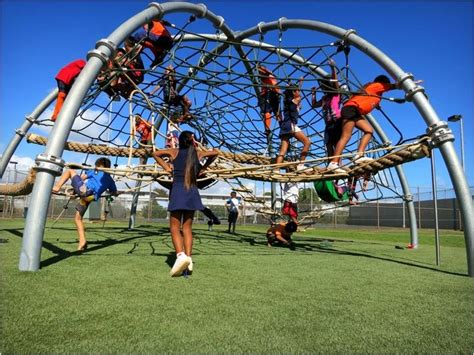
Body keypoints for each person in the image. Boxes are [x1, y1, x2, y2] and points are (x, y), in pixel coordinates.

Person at [152, 131, 220, 277]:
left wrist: (166, 167)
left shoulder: (174, 152)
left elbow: (155, 153)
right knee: (187, 227)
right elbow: (216, 152)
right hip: (192, 191)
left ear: (180, 141)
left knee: (174, 227)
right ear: (192, 141)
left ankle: (180, 255)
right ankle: (189, 259)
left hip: (178, 190)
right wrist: (204, 167)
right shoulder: (198, 153)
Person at [327, 75, 422, 173]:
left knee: (369, 130)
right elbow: (395, 86)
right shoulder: (377, 85)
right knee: (346, 136)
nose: (385, 87)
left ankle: (359, 155)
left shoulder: (375, 92)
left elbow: (367, 98)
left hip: (355, 112)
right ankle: (333, 163)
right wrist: (408, 84)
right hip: (350, 109)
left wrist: (376, 104)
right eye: (385, 85)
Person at [52, 157, 118, 251]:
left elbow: (81, 179)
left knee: (70, 171)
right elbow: (114, 192)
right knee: (78, 219)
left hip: (86, 192)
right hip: (89, 198)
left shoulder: (95, 171)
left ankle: (56, 187)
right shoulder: (111, 180)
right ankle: (82, 241)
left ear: (97, 165)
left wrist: (75, 189)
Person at [275, 81, 311, 171]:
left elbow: (295, 93)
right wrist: (299, 85)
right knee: (307, 142)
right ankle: (301, 165)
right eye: (297, 91)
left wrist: (299, 83)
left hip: (284, 126)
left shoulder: (288, 101)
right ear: (294, 92)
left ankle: (276, 169)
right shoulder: (295, 100)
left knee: (283, 151)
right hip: (291, 125)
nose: (299, 92)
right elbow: (299, 96)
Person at [311, 59, 342, 164]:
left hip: (337, 122)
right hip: (328, 125)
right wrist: (313, 94)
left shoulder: (336, 94)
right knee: (328, 145)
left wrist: (333, 68)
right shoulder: (324, 98)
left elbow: (335, 82)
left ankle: (338, 166)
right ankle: (331, 166)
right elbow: (314, 105)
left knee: (337, 146)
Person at [257, 65, 282, 136]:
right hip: (273, 93)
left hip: (270, 93)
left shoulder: (267, 75)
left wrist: (259, 67)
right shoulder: (265, 77)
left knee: (270, 112)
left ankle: (269, 129)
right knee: (272, 112)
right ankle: (269, 129)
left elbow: (265, 71)